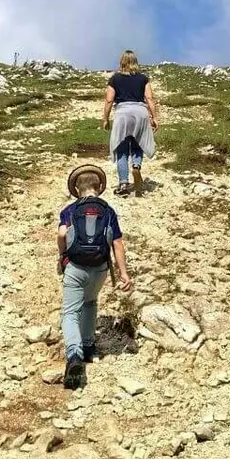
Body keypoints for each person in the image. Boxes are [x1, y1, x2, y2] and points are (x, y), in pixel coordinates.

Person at [58, 163, 132, 390]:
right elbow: (117, 243)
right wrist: (123, 273)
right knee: (90, 302)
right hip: (100, 267)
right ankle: (89, 346)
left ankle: (74, 356)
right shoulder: (108, 211)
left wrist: (61, 257)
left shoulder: (69, 210)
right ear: (99, 187)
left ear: (76, 189)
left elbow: (62, 233)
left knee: (70, 312)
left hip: (76, 267)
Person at [102, 49, 158, 196]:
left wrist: (105, 118)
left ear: (122, 61)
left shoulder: (115, 79)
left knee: (122, 148)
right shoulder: (143, 79)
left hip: (123, 113)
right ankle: (136, 166)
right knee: (138, 144)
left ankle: (123, 184)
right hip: (140, 112)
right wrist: (154, 117)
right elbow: (149, 98)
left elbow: (109, 100)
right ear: (135, 62)